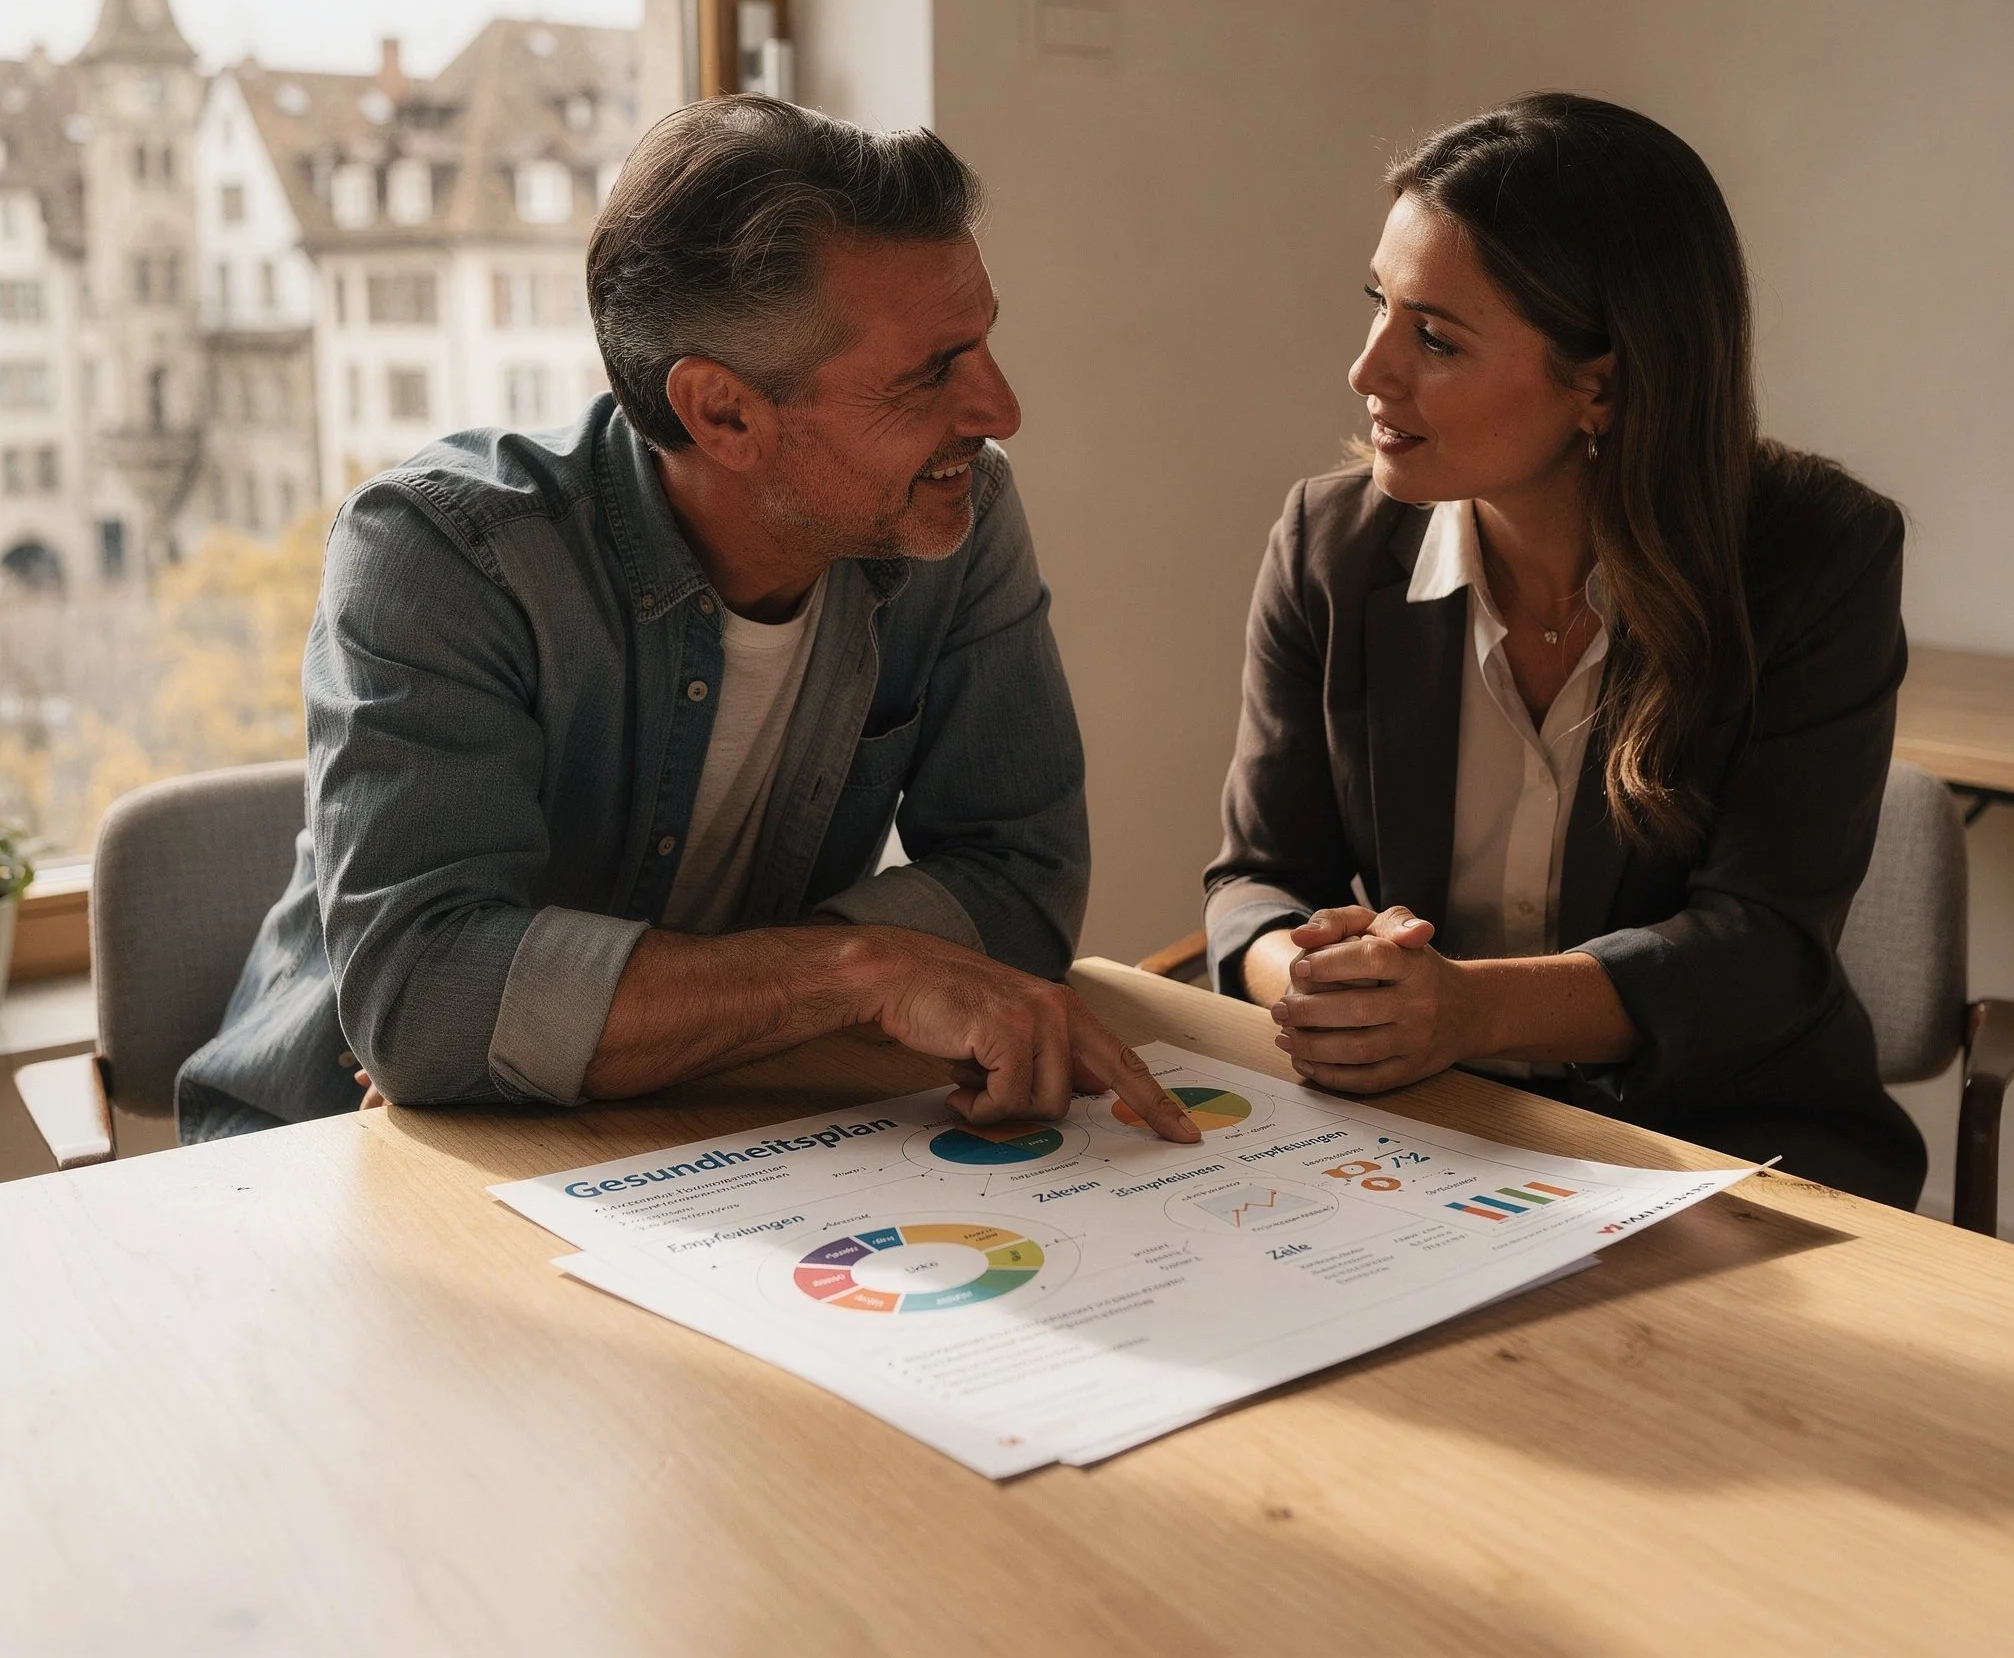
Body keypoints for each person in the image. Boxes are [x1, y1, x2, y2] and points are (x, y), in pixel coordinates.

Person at [178, 97, 1198, 1147]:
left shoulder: (952, 511)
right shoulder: (441, 554)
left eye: (981, 340)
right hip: (321, 1154)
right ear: (723, 413)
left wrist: (661, 1019)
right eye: (931, 371)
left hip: (690, 1132)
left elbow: (1021, 883)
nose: (999, 409)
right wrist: (859, 972)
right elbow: (427, 1005)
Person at [1205, 92, 1924, 1206]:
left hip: (1728, 1141)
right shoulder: (1328, 546)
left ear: (1603, 381)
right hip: (1431, 1127)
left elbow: (1762, 944)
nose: (1368, 369)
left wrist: (1467, 1008)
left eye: (1434, 337)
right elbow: (1258, 877)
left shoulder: (1814, 555)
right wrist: (1314, 980)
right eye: (1378, 305)